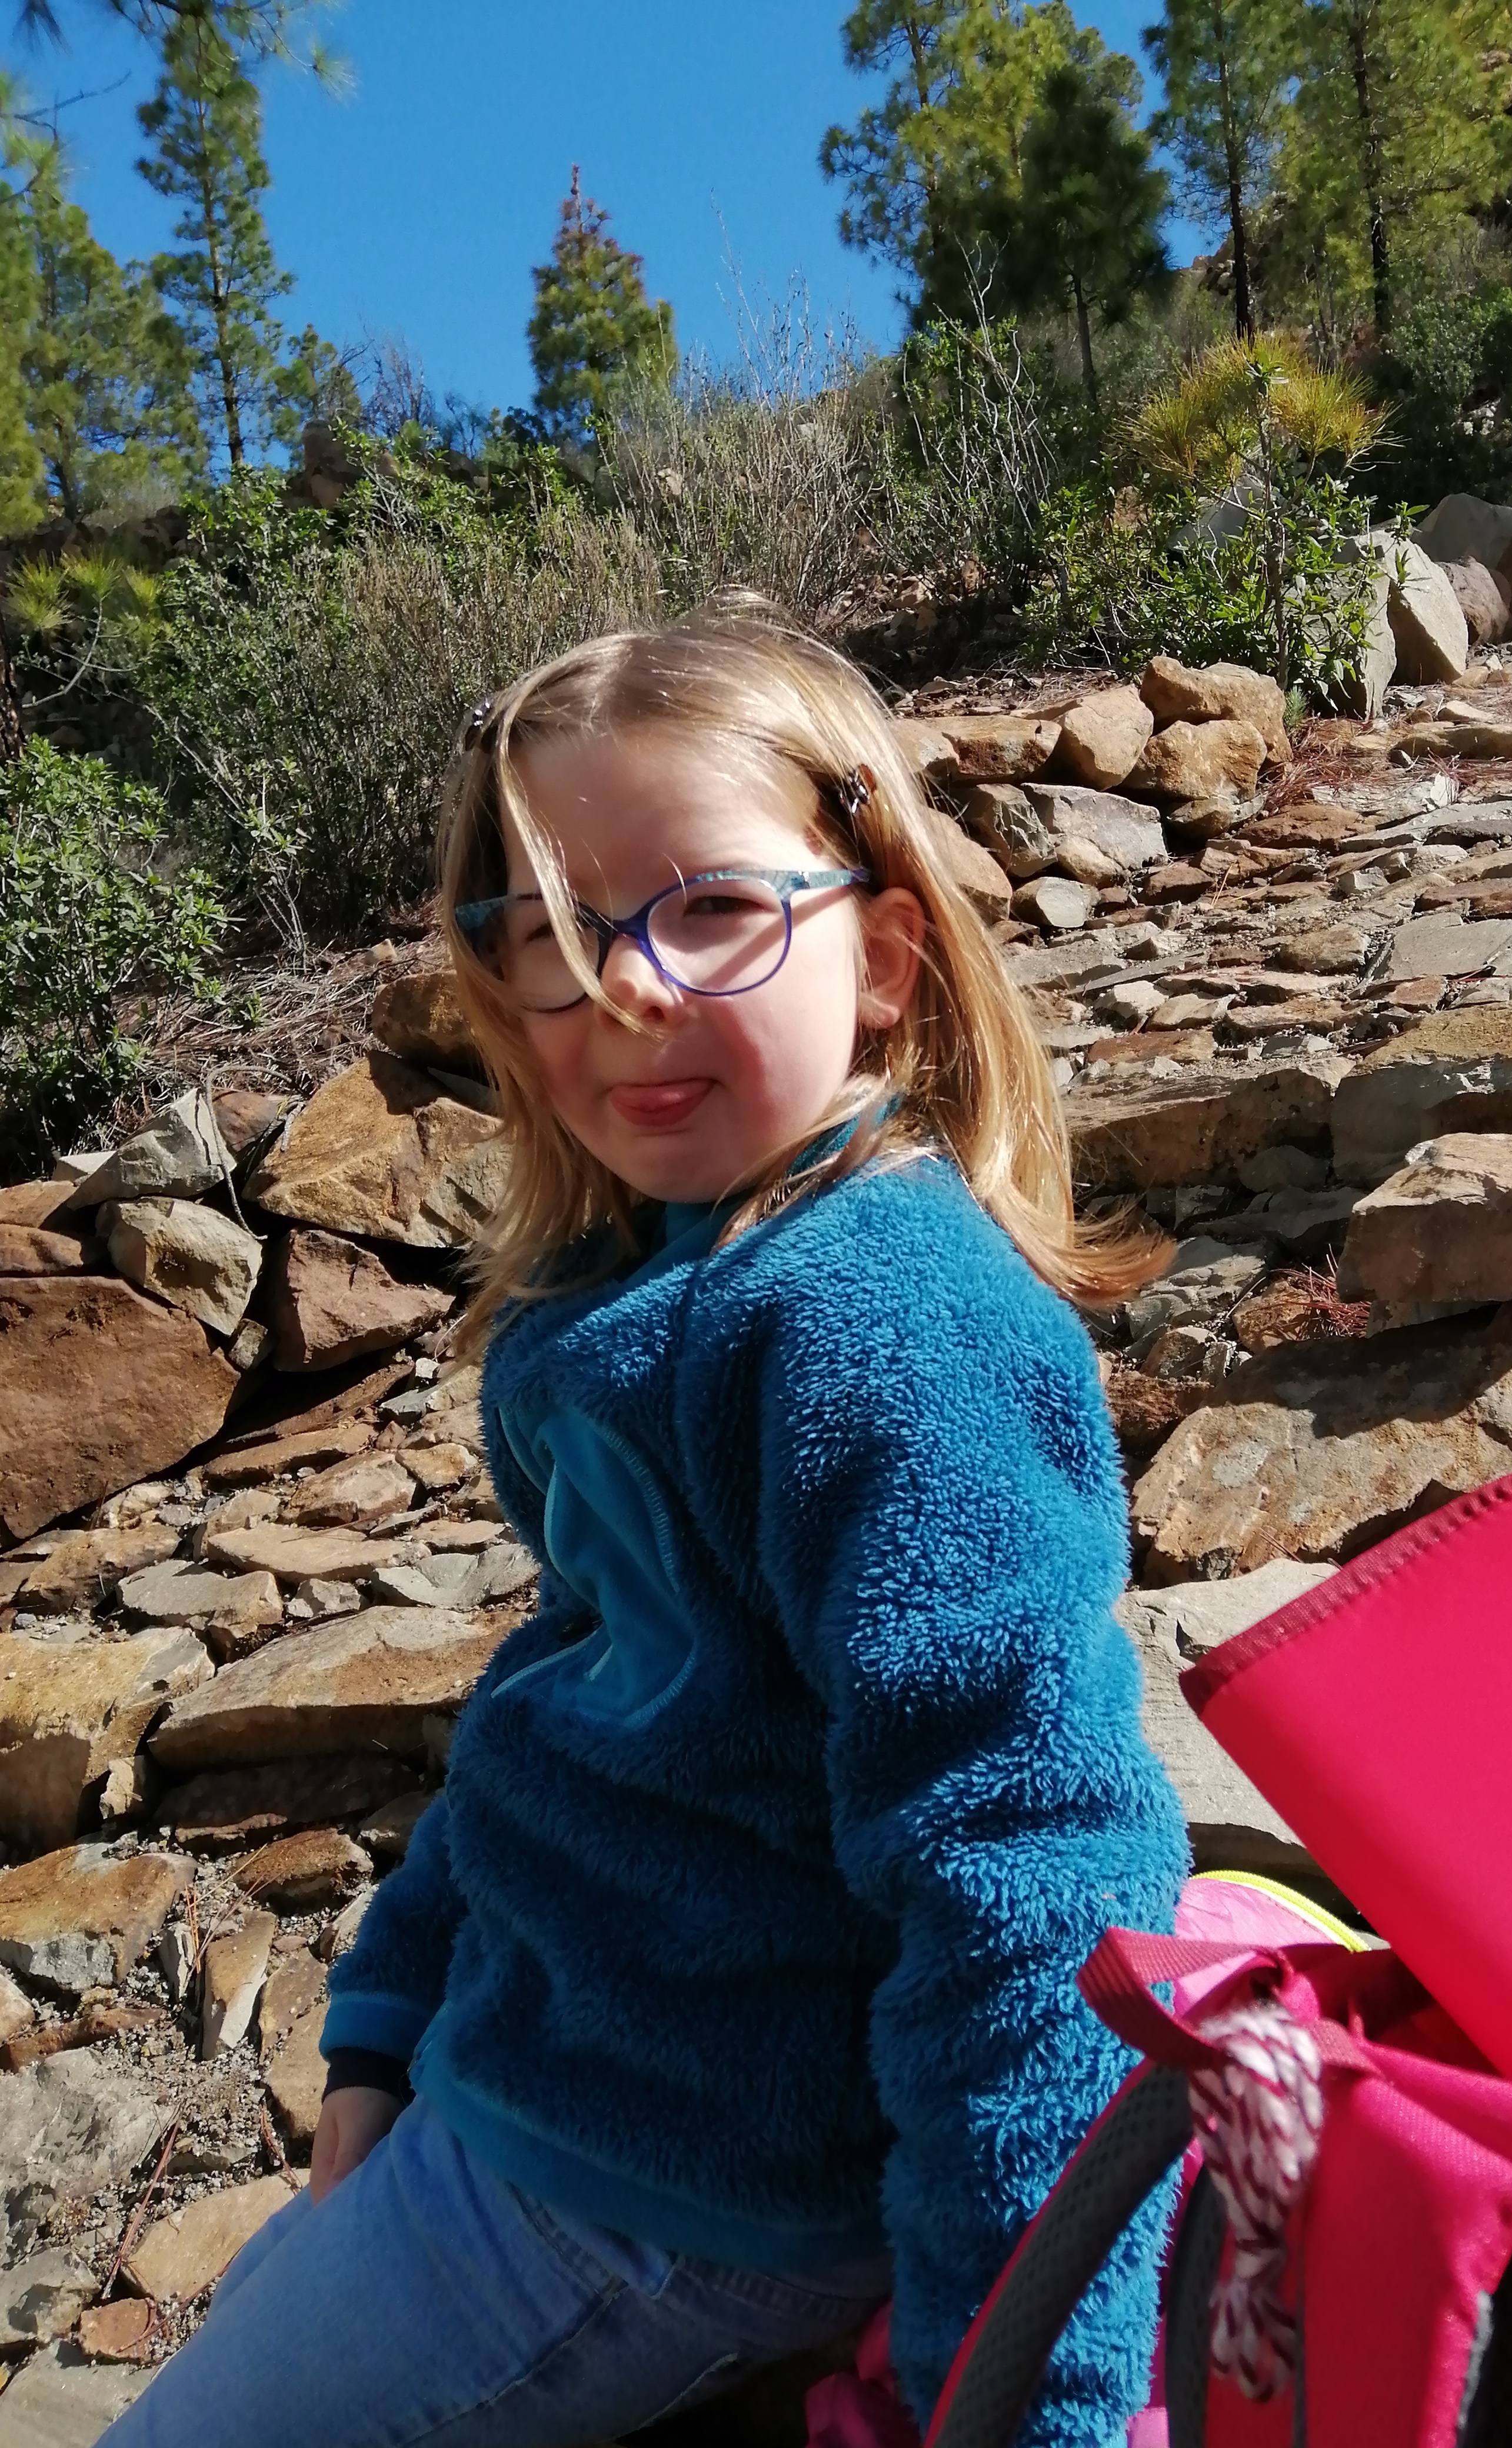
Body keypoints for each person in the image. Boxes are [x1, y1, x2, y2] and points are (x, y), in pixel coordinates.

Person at [102, 613, 1189, 2448]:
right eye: (553, 934)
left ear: (887, 959)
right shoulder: (654, 1277)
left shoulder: (882, 1321)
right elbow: (585, 1679)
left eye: (717, 910)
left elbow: (1032, 1867)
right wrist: (396, 1998)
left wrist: (1026, 2394)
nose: (625, 990)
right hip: (564, 2074)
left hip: (680, 2176)